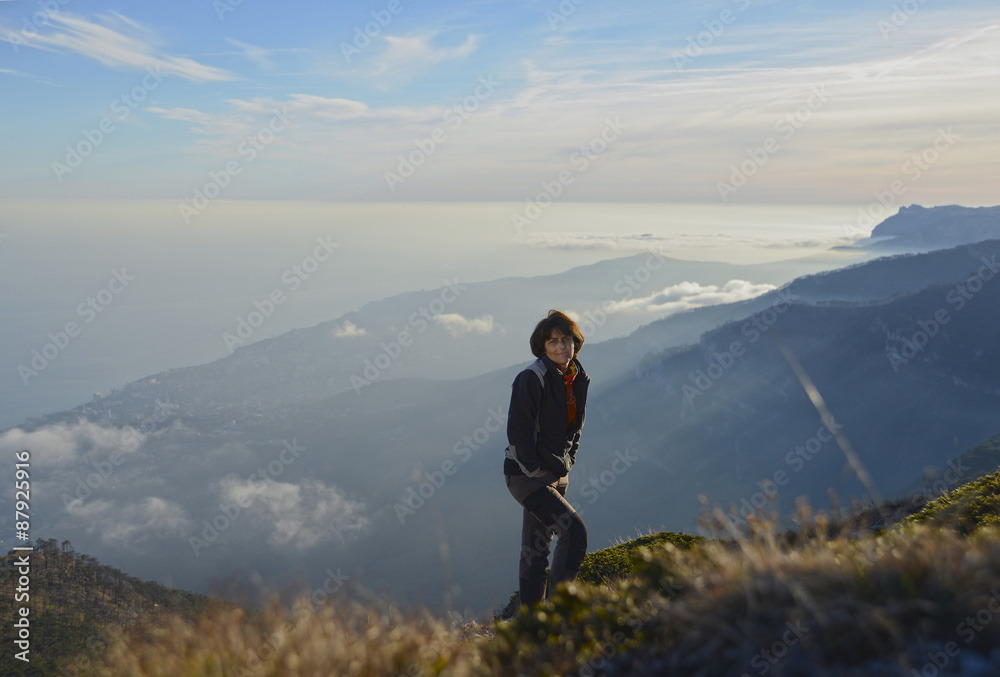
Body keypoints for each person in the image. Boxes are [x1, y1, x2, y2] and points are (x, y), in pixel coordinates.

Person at [504, 310, 590, 607]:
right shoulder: (532, 377)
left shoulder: (576, 379)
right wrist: (535, 470)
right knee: (573, 531)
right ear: (542, 346)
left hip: (556, 474)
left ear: (575, 343)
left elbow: (575, 428)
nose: (561, 347)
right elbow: (518, 429)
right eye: (553, 341)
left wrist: (568, 462)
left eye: (567, 340)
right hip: (527, 476)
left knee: (536, 549)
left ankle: (532, 623)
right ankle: (559, 613)